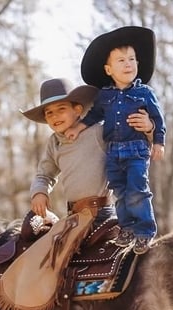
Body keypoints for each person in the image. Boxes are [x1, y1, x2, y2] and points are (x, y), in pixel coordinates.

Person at [0, 77, 154, 310]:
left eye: (60, 110)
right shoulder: (54, 143)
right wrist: (40, 192)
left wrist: (149, 128)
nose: (54, 117)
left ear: (78, 109)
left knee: (51, 259)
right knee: (36, 256)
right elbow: (45, 173)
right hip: (74, 215)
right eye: (48, 113)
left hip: (101, 212)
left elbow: (131, 139)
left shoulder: (98, 132)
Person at [65, 26, 166, 255]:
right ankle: (127, 228)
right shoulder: (104, 96)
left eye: (132, 59)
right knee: (119, 191)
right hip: (113, 152)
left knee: (138, 190)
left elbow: (159, 119)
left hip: (137, 150)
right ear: (108, 69)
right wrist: (77, 127)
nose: (128, 64)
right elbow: (94, 116)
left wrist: (158, 141)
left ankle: (144, 231)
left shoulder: (145, 93)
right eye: (121, 60)